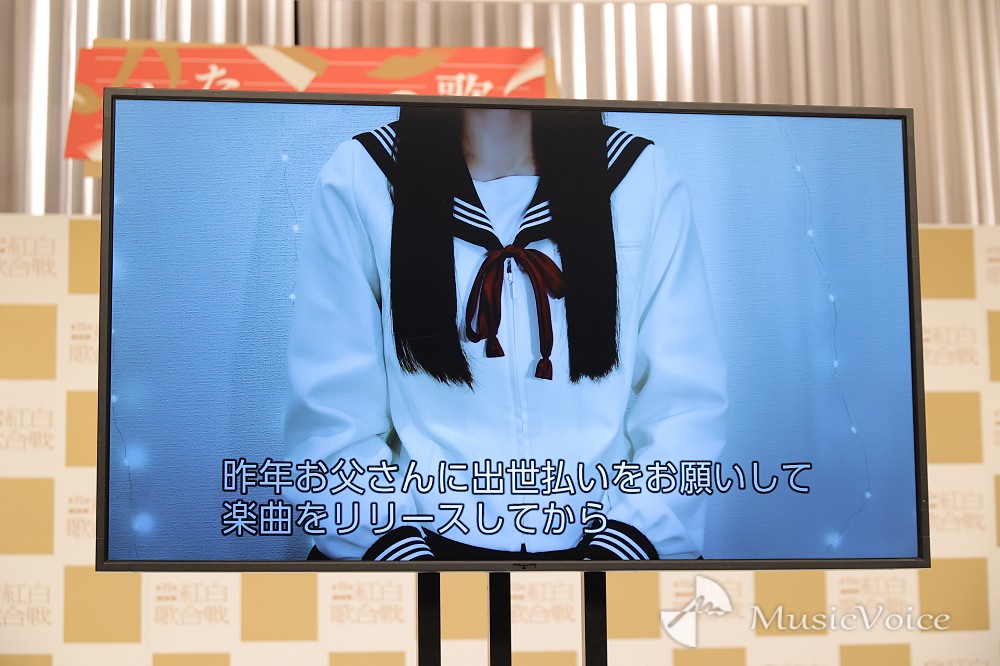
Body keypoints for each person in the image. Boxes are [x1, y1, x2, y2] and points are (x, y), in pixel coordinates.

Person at [285, 104, 727, 562]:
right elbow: (332, 420)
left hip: (610, 550)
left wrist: (621, 557)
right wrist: (406, 570)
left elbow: (685, 406)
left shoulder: (639, 175)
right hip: (413, 552)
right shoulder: (365, 175)